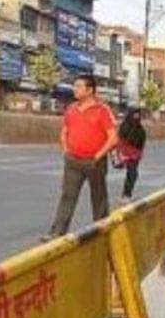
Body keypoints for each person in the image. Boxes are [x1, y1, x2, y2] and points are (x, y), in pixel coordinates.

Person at [44, 75, 117, 240]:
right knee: (67, 196)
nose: (74, 89)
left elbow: (113, 138)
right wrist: (66, 150)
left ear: (90, 90)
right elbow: (64, 132)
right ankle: (57, 231)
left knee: (98, 198)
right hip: (73, 161)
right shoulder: (71, 109)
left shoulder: (102, 110)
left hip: (95, 162)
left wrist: (97, 157)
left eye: (78, 86)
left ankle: (102, 232)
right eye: (74, 86)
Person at [115, 107, 147, 204]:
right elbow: (120, 140)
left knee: (132, 174)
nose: (136, 117)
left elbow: (141, 142)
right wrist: (120, 154)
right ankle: (126, 195)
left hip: (136, 154)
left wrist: (140, 153)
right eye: (135, 114)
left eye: (138, 115)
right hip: (127, 154)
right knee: (133, 173)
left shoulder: (140, 128)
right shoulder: (124, 126)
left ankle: (126, 195)